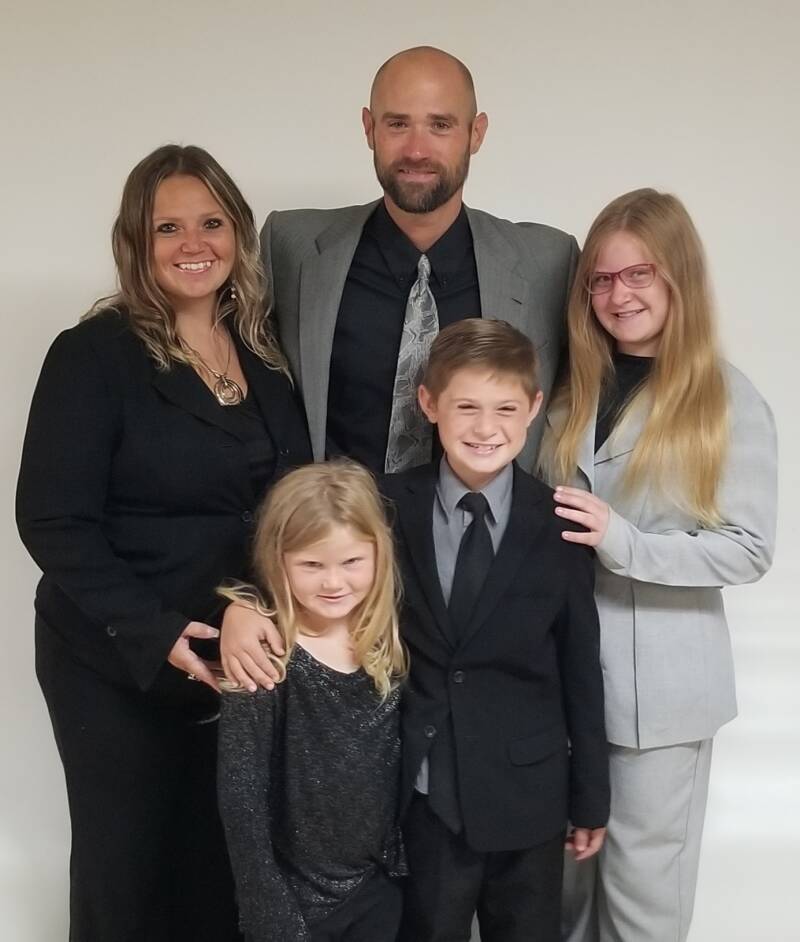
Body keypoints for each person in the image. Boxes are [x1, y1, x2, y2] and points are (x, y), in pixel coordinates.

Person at [222, 319, 611, 942]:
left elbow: (580, 666)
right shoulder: (385, 504)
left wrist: (592, 795)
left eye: (505, 409)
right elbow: (309, 563)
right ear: (428, 404)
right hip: (423, 796)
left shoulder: (561, 523)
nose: (485, 428)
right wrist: (245, 607)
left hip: (528, 795)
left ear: (535, 408)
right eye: (466, 407)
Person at [16, 144, 311, 942]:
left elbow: (281, 508)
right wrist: (158, 631)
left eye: (211, 223)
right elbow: (51, 519)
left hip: (231, 659)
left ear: (237, 232)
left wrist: (257, 607)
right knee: (127, 877)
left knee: (219, 870)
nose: (193, 244)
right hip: (116, 662)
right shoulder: (93, 355)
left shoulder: (265, 354)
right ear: (136, 243)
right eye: (167, 228)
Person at [542, 188, 778, 942]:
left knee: (640, 907)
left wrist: (626, 541)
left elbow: (749, 548)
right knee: (560, 904)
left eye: (639, 273)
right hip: (562, 687)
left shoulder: (727, 400)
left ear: (679, 275)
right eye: (602, 280)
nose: (620, 296)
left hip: (662, 704)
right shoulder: (568, 395)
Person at [261, 45, 577, 477]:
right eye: (397, 124)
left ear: (477, 133)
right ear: (369, 129)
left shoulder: (549, 262)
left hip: (482, 520)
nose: (416, 150)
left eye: (440, 125)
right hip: (333, 516)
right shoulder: (290, 247)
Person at [217, 461, 407, 942]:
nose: (333, 583)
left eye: (351, 562)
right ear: (278, 558)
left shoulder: (389, 643)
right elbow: (241, 797)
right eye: (312, 565)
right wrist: (268, 911)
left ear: (379, 553)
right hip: (293, 905)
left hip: (379, 891)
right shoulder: (264, 656)